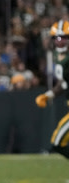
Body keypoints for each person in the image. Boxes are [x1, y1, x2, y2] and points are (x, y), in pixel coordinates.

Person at [35, 20, 69, 159]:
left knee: (57, 142)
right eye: (57, 38)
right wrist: (49, 95)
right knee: (57, 142)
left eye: (64, 38)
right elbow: (63, 83)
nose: (60, 42)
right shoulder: (57, 56)